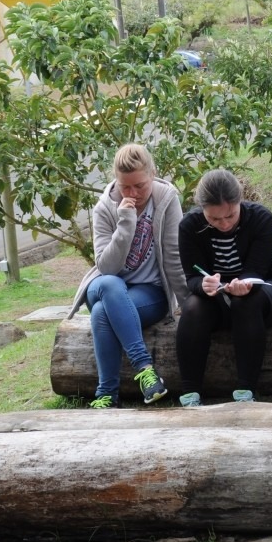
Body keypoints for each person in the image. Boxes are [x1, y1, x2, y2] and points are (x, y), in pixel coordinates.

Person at [67, 144, 189, 408]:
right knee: (110, 285)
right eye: (125, 187)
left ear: (153, 174)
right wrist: (126, 221)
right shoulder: (104, 208)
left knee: (102, 313)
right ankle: (145, 369)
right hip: (104, 284)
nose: (133, 194)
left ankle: (106, 395)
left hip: (149, 292)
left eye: (140, 186)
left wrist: (188, 304)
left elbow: (173, 257)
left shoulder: (166, 199)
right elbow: (106, 267)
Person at [176, 169, 272, 404]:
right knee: (193, 308)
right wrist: (203, 284)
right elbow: (192, 276)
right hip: (218, 297)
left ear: (240, 200)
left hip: (267, 286)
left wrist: (244, 283)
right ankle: (190, 392)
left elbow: (257, 270)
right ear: (202, 210)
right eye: (214, 219)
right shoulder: (189, 226)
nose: (224, 224)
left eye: (230, 216)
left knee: (245, 302)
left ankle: (246, 390)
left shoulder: (262, 218)